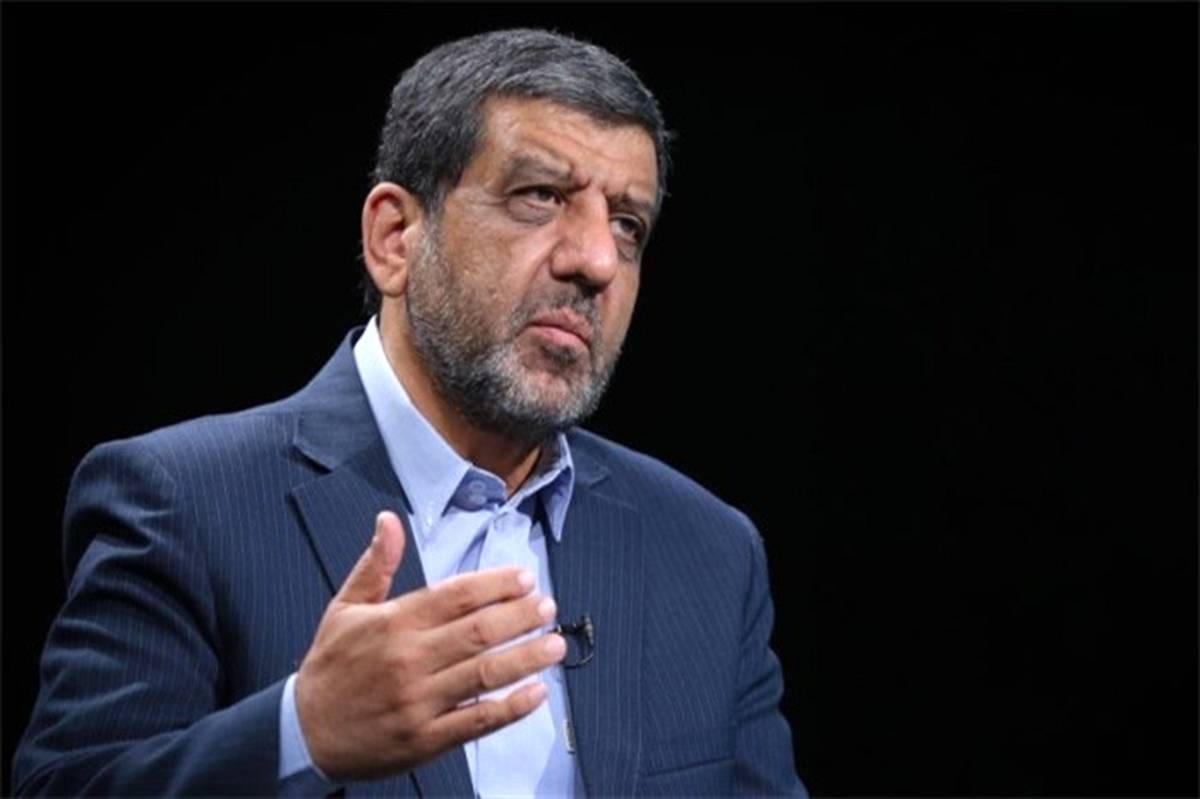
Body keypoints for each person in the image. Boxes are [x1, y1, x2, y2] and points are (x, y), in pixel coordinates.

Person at [13, 28, 806, 797]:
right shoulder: (182, 502)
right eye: (540, 196)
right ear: (394, 237)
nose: (596, 260)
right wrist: (301, 735)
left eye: (627, 224)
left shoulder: (709, 551)